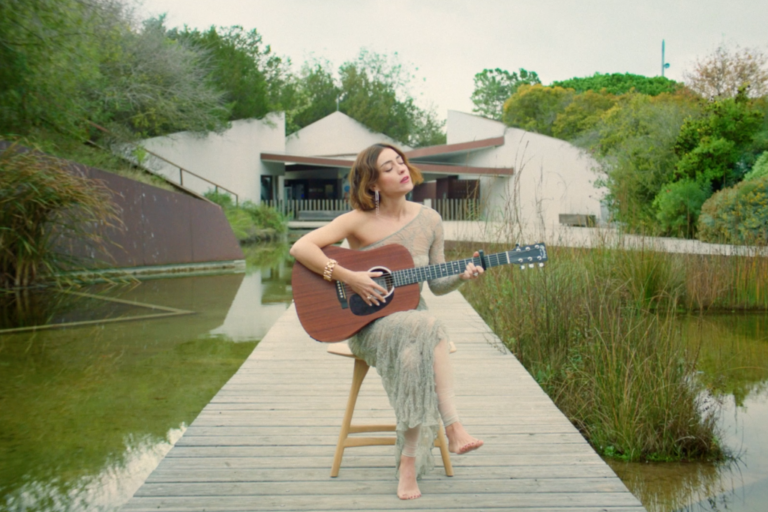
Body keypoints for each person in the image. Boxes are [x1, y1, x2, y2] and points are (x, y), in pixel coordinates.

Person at [289, 143, 484, 500]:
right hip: (367, 325)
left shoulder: (430, 220)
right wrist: (349, 277)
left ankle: (408, 462)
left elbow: (437, 285)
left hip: (413, 319)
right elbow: (301, 248)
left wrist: (462, 275)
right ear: (373, 183)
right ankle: (453, 426)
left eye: (401, 162)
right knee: (431, 329)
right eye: (389, 167)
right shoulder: (358, 220)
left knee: (416, 348)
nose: (401, 169)